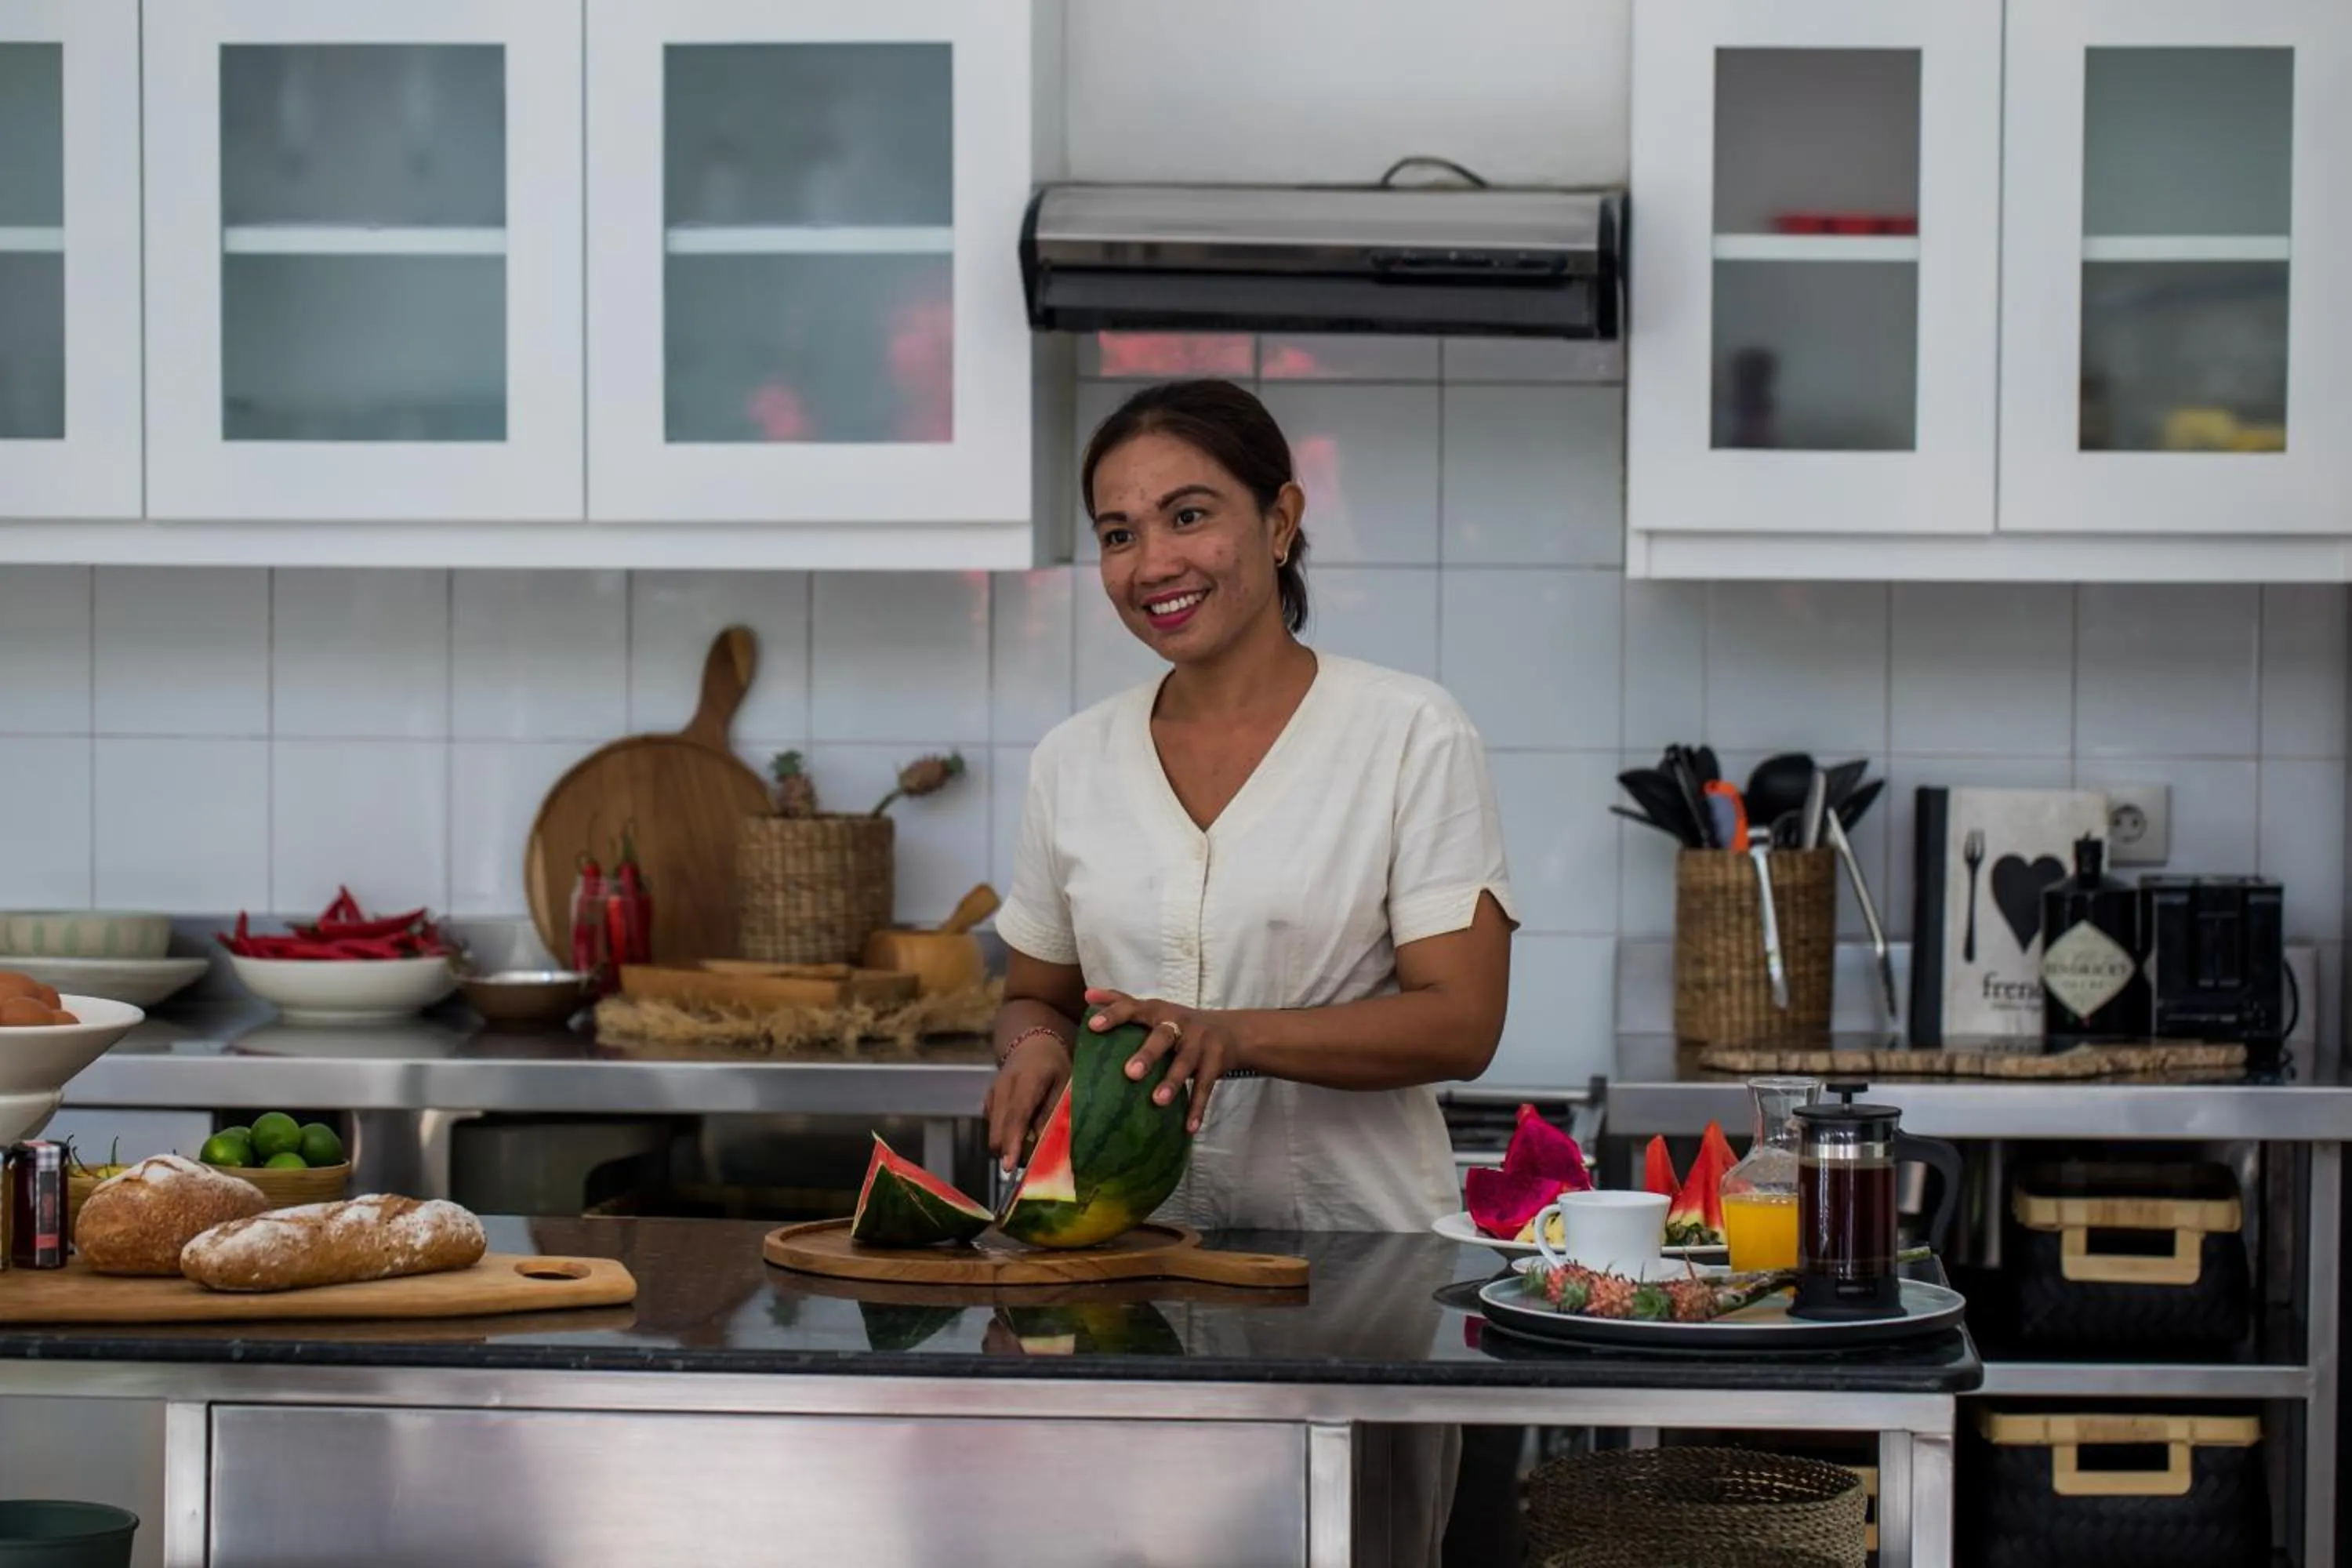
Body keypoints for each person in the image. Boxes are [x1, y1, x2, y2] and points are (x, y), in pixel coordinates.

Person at [982, 377, 1517, 1565]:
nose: (1151, 561)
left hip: (1361, 1287)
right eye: (1118, 534)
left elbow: (1463, 1021)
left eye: (1189, 515)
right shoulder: (1073, 761)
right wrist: (1030, 1045)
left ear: (1279, 522)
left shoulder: (1409, 735)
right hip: (1120, 1282)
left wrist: (1231, 1033)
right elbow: (1037, 989)